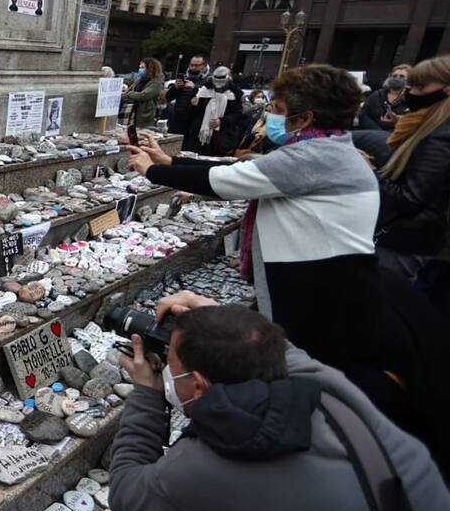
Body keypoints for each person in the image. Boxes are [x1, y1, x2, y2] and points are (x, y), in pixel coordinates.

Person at [127, 66, 441, 450]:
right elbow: (247, 171)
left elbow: (227, 182)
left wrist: (155, 171)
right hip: (332, 286)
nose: (270, 115)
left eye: (277, 107)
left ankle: (317, 447)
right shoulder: (327, 149)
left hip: (325, 295)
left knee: (321, 377)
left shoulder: (314, 157)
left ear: (305, 116)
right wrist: (171, 162)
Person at [109, 290, 450, 511]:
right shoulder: (322, 383)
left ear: (198, 385)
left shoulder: (202, 466)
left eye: (173, 367)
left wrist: (148, 391)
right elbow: (279, 347)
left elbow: (125, 490)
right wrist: (220, 319)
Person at [374, 54, 450, 305]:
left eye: (419, 86)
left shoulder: (440, 139)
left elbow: (411, 198)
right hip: (407, 237)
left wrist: (367, 173)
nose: (410, 92)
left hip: (407, 242)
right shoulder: (427, 128)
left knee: (385, 304)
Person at [194, 65, 245, 156]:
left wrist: (221, 121)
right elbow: (197, 111)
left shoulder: (233, 94)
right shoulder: (205, 91)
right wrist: (194, 103)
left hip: (223, 135)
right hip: (202, 131)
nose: (218, 85)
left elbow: (238, 114)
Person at [166, 54, 209, 141]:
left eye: (196, 65)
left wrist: (195, 88)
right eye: (191, 65)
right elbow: (168, 98)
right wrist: (175, 88)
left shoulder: (208, 81)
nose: (193, 68)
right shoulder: (185, 78)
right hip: (178, 120)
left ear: (204, 66)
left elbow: (207, 99)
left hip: (194, 122)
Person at [357, 64, 410, 131]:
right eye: (394, 76)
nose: (397, 78)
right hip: (370, 133)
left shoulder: (410, 100)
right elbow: (364, 115)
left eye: (402, 76)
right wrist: (378, 132)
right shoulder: (377, 95)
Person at [118, 57, 164, 129]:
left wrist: (131, 94)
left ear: (150, 68)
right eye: (140, 67)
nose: (140, 69)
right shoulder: (139, 79)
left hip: (145, 117)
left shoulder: (156, 83)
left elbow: (143, 96)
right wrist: (130, 94)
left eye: (143, 67)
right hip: (132, 114)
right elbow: (127, 93)